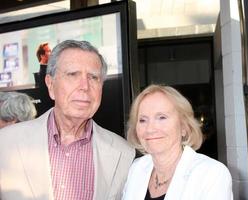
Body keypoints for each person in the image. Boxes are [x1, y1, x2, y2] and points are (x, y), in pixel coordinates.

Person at [0, 40, 135, 200]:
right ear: (50, 85)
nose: (84, 86)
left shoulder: (124, 154)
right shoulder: (6, 142)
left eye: (93, 77)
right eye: (72, 74)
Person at [122, 84, 233, 200]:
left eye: (162, 117)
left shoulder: (212, 174)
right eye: (143, 120)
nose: (150, 129)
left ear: (184, 127)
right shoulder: (135, 169)